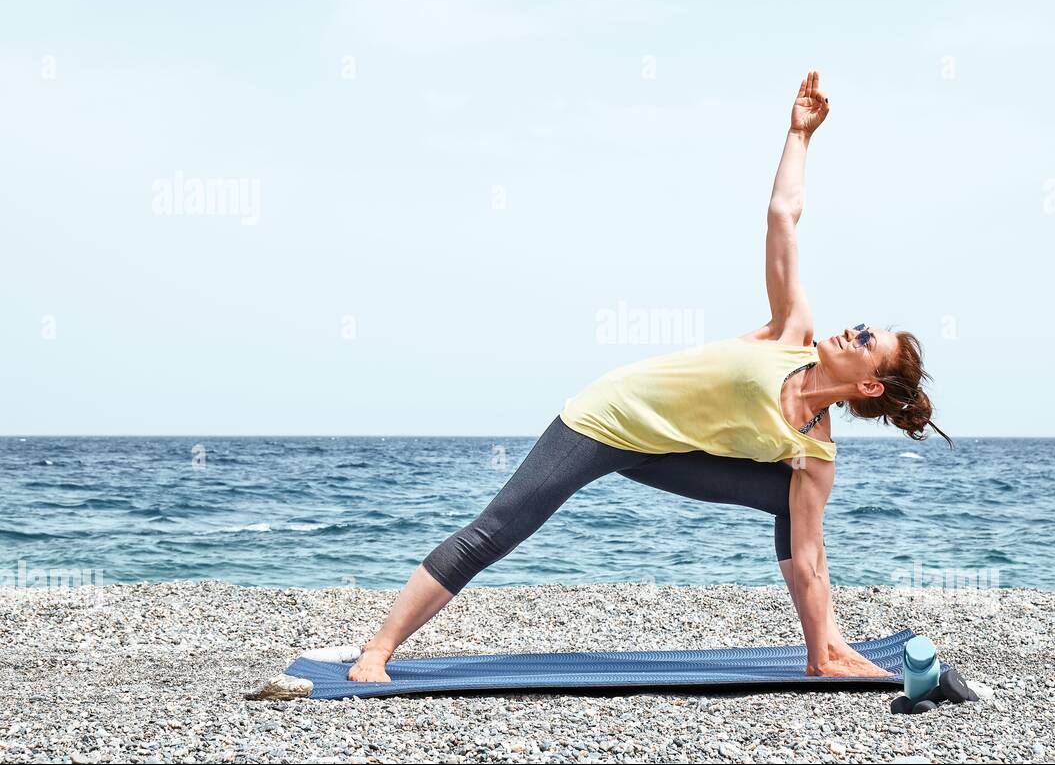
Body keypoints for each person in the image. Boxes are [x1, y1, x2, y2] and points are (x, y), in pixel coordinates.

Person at [348, 70, 950, 683]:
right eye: (865, 326)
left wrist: (823, 637)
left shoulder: (814, 453)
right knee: (499, 530)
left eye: (870, 341)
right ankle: (377, 652)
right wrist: (799, 136)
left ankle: (823, 651)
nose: (857, 330)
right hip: (607, 419)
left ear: (869, 386)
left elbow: (812, 555)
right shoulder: (791, 331)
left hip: (663, 451)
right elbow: (783, 215)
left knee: (793, 505)